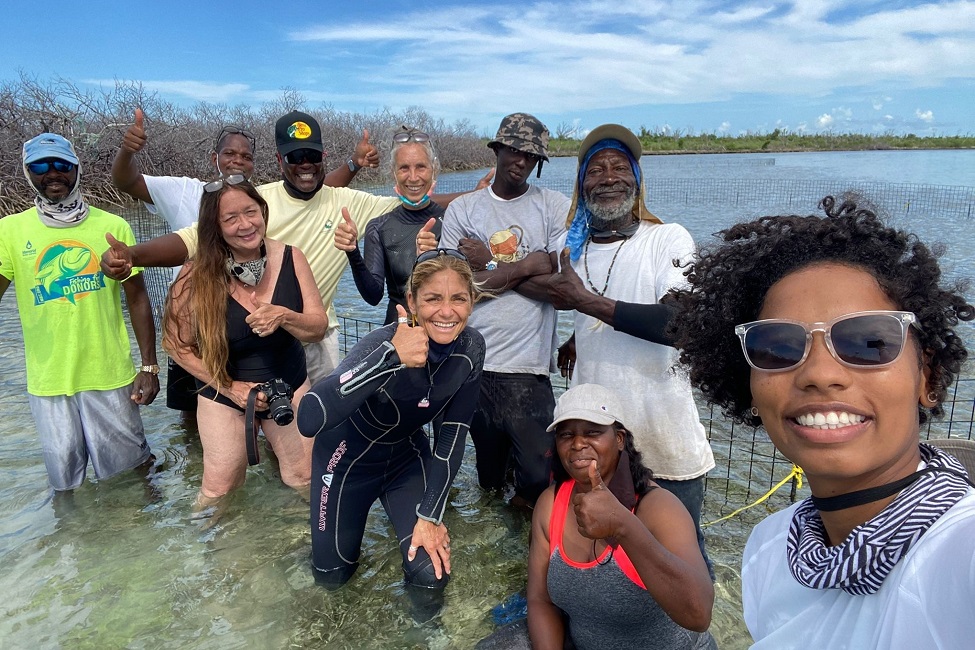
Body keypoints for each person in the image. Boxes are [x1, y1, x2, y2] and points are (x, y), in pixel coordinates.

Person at [669, 195, 975, 648]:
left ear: (927, 376)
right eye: (778, 347)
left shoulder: (958, 553)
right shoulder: (769, 548)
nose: (819, 374)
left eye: (869, 341)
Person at [104, 111, 491, 385]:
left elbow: (416, 201)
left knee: (320, 429)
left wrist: (475, 196)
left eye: (312, 156)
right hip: (260, 336)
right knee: (257, 428)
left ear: (323, 157)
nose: (304, 165)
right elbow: (191, 240)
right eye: (295, 157)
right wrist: (133, 256)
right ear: (280, 160)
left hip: (319, 333)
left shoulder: (348, 201)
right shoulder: (259, 202)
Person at [111, 109, 378, 420]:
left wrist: (353, 165)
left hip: (276, 337)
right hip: (208, 328)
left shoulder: (261, 203)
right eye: (229, 154)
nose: (237, 161)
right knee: (197, 420)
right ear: (215, 158)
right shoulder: (185, 193)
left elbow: (313, 187)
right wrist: (133, 255)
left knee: (291, 421)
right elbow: (184, 240)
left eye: (245, 156)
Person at [546, 124, 715, 574]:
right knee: (607, 565)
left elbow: (680, 323)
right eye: (595, 170)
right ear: (581, 187)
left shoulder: (668, 239)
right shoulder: (574, 250)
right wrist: (578, 334)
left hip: (665, 448)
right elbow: (608, 298)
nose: (607, 177)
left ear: (637, 180)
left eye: (619, 167)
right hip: (599, 449)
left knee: (680, 569)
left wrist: (585, 304)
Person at [296, 250, 484, 617]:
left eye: (458, 299)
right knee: (333, 578)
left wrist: (430, 517)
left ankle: (426, 639)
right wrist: (389, 357)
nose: (447, 312)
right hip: (344, 464)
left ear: (472, 302)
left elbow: (452, 437)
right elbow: (309, 418)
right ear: (411, 301)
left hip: (405, 461)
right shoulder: (381, 344)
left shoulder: (470, 347)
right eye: (433, 299)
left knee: (431, 572)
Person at [0, 133, 157, 491]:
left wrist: (148, 366)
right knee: (66, 491)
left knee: (131, 482)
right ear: (27, 172)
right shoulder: (9, 230)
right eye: (40, 166)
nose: (52, 173)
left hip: (111, 376)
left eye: (62, 165)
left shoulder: (112, 227)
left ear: (77, 169)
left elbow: (137, 298)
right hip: (48, 383)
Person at [434, 113, 570, 506]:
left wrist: (488, 265)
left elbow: (560, 289)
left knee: (539, 474)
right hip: (473, 363)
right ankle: (496, 548)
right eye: (514, 149)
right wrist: (529, 264)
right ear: (496, 149)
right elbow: (458, 289)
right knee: (489, 479)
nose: (522, 161)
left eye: (531, 155)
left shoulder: (553, 207)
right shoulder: (463, 210)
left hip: (528, 368)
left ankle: (529, 538)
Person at [162, 178, 327, 501]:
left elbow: (317, 327)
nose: (245, 225)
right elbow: (175, 344)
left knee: (304, 478)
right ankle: (205, 550)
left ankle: (305, 546)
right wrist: (230, 388)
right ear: (215, 227)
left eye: (250, 212)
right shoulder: (195, 274)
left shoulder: (293, 257)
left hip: (288, 384)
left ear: (263, 211)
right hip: (223, 389)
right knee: (220, 489)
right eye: (231, 218)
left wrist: (285, 316)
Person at [525, 383, 715, 649]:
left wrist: (623, 525)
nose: (578, 443)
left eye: (592, 432)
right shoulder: (551, 503)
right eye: (566, 435)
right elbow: (540, 600)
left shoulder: (658, 508)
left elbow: (699, 614)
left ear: (619, 439)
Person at [334, 126, 446, 324]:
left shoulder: (453, 220)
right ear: (393, 173)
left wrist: (436, 258)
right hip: (399, 333)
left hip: (446, 330)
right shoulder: (379, 227)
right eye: (404, 168)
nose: (413, 177)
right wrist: (352, 252)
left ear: (434, 170)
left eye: (421, 167)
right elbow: (373, 296)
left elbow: (468, 290)